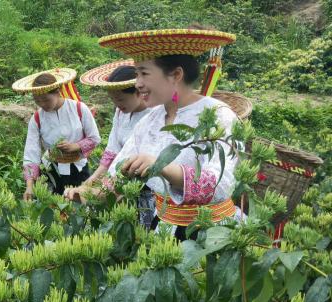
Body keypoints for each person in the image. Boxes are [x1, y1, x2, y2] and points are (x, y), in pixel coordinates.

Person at [66, 28, 240, 240]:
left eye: (144, 73)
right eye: (137, 73)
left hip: (212, 234)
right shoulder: (150, 121)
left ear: (176, 75)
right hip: (164, 227)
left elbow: (220, 184)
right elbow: (119, 169)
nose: (137, 83)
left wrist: (161, 166)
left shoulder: (219, 116)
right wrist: (90, 193)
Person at [79, 60, 155, 227]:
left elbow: (129, 160)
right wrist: (90, 181)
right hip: (119, 182)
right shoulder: (120, 113)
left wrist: (102, 189)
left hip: (143, 187)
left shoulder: (152, 116)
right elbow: (112, 152)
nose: (117, 105)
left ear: (138, 92)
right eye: (113, 100)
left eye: (121, 99)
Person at [12, 68, 100, 201]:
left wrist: (76, 146)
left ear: (57, 91)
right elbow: (31, 154)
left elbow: (94, 138)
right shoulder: (36, 119)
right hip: (52, 171)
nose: (42, 104)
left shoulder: (79, 108)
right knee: (54, 207)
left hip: (79, 168)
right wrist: (29, 186)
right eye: (37, 100)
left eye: (46, 100)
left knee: (81, 205)